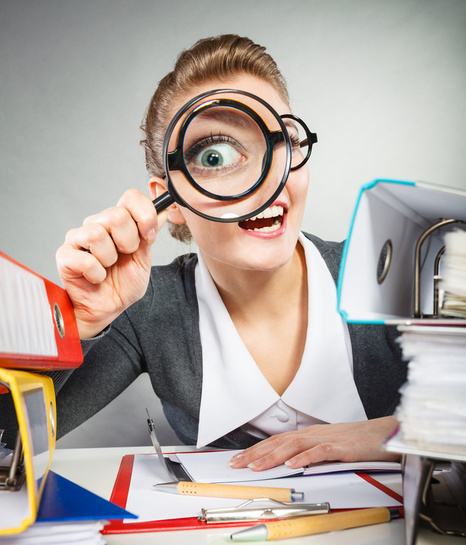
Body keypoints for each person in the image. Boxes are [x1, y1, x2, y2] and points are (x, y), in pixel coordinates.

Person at [16, 35, 408, 470]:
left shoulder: (387, 272)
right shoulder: (146, 305)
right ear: (171, 200)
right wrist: (80, 322)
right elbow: (8, 445)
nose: (267, 182)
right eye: (217, 155)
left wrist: (400, 434)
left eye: (282, 141)